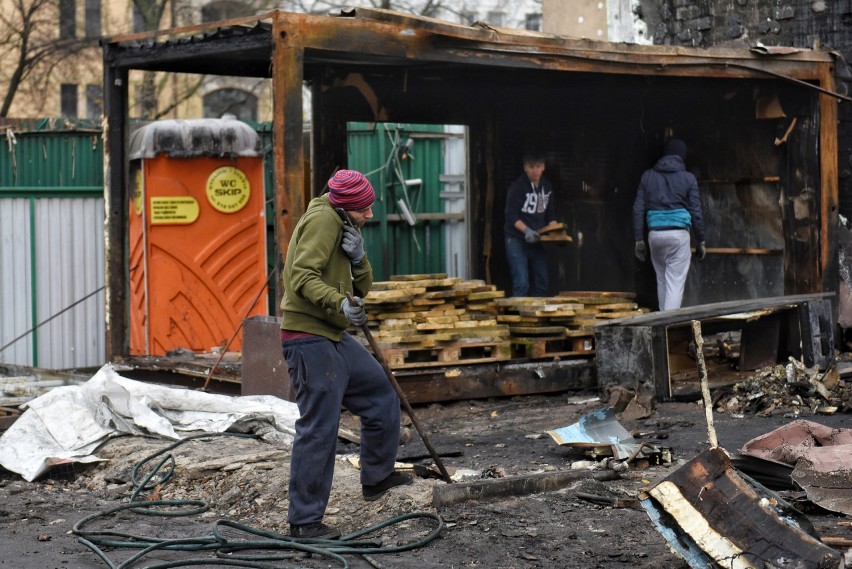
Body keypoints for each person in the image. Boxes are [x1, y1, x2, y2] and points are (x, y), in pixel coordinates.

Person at [280, 169, 412, 540]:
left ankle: (377, 476)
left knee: (378, 391)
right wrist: (338, 300)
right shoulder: (324, 220)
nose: (370, 214)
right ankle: (304, 522)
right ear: (347, 205)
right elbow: (300, 278)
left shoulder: (345, 222)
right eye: (365, 209)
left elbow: (364, 287)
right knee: (320, 426)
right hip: (307, 337)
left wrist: (359, 259)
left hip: (331, 333)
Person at [632, 138, 706, 311]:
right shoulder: (688, 179)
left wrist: (638, 240)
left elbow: (637, 209)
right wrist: (701, 240)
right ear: (682, 156)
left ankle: (661, 327)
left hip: (655, 236)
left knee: (662, 280)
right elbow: (696, 212)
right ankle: (668, 329)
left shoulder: (647, 176)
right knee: (675, 283)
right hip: (678, 237)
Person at [504, 152, 558, 297]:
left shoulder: (547, 187)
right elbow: (510, 215)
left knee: (542, 283)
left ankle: (538, 318)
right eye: (531, 167)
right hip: (516, 240)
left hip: (537, 240)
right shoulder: (517, 188)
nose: (535, 170)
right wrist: (526, 230)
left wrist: (555, 232)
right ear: (525, 167)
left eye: (538, 166)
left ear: (543, 167)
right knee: (521, 283)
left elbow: (550, 214)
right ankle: (518, 318)